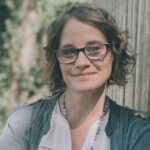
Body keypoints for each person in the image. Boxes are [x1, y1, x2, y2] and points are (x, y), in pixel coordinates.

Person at [0, 2, 150, 150]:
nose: (81, 62)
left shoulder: (137, 132)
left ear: (114, 52)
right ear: (57, 61)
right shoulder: (24, 123)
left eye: (94, 48)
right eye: (68, 52)